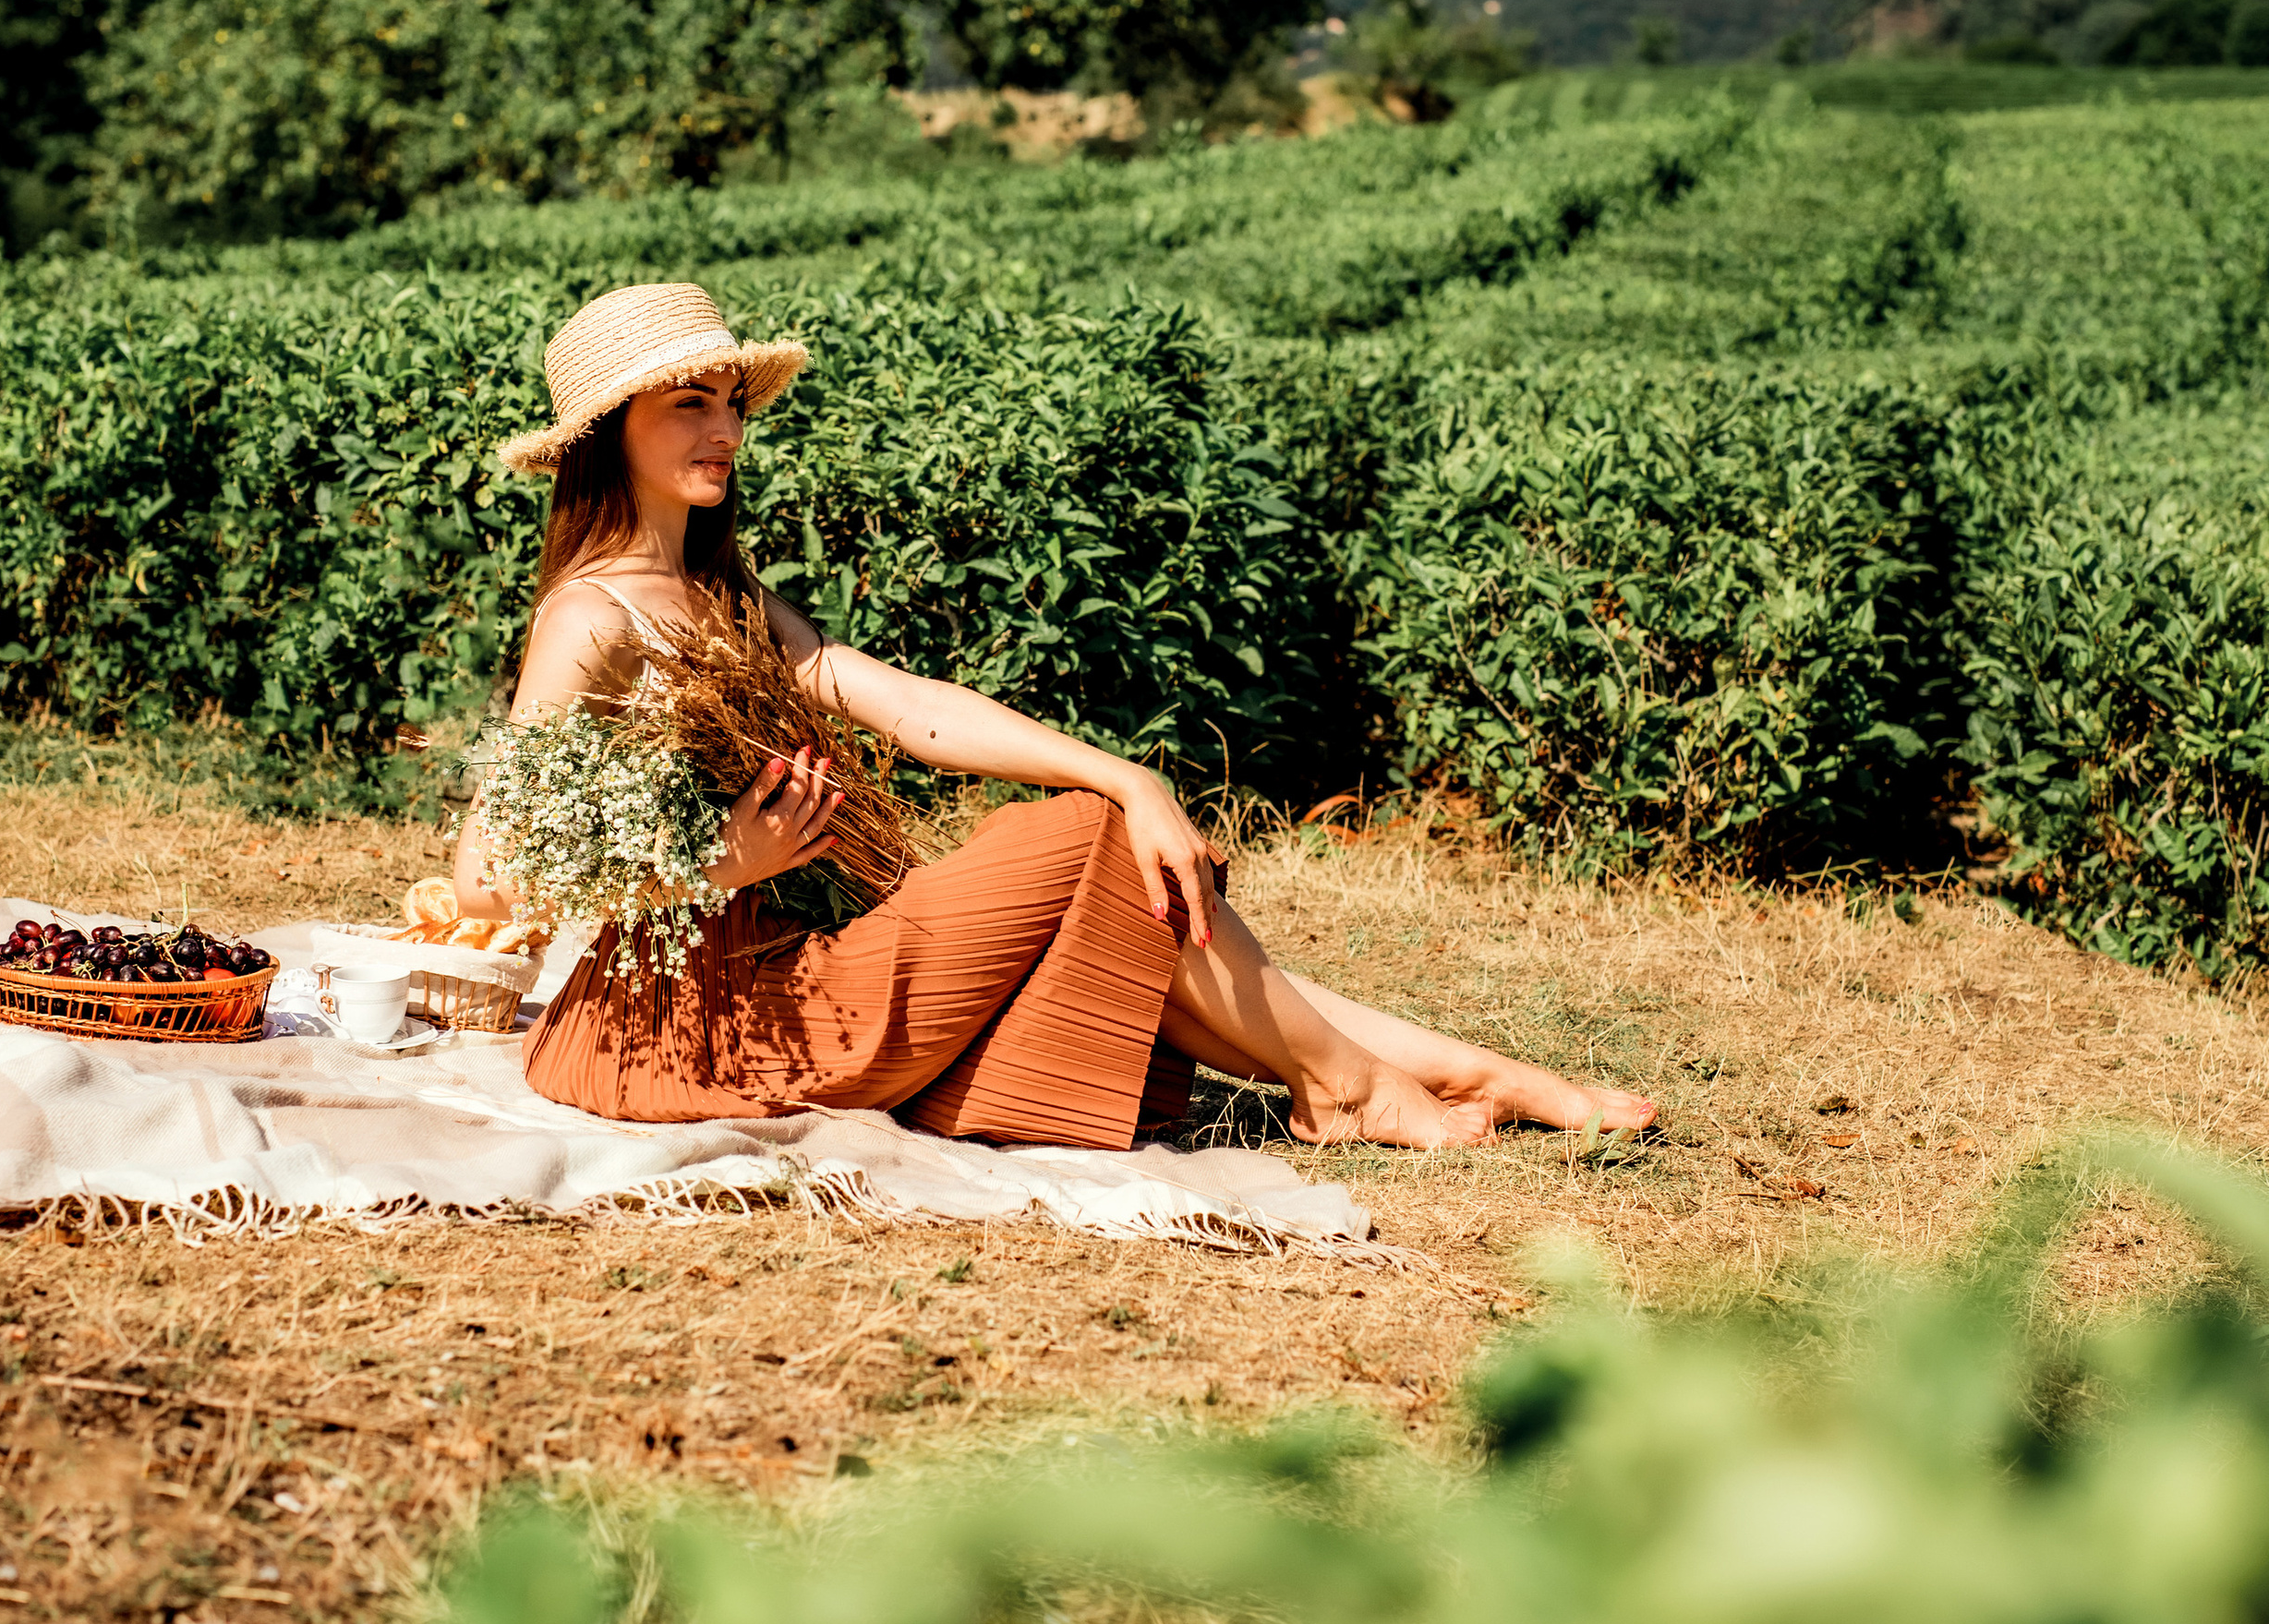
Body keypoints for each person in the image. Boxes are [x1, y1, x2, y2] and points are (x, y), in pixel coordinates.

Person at [455, 283, 1657, 1153]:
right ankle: (1357, 1089)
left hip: (810, 966)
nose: (725, 429)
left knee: (1125, 862)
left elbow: (914, 710)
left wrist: (1132, 774)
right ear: (610, 431)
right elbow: (486, 872)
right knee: (1085, 843)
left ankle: (1453, 1072)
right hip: (709, 1027)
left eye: (731, 401)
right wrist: (727, 858)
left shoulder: (721, 594)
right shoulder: (592, 619)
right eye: (687, 405)